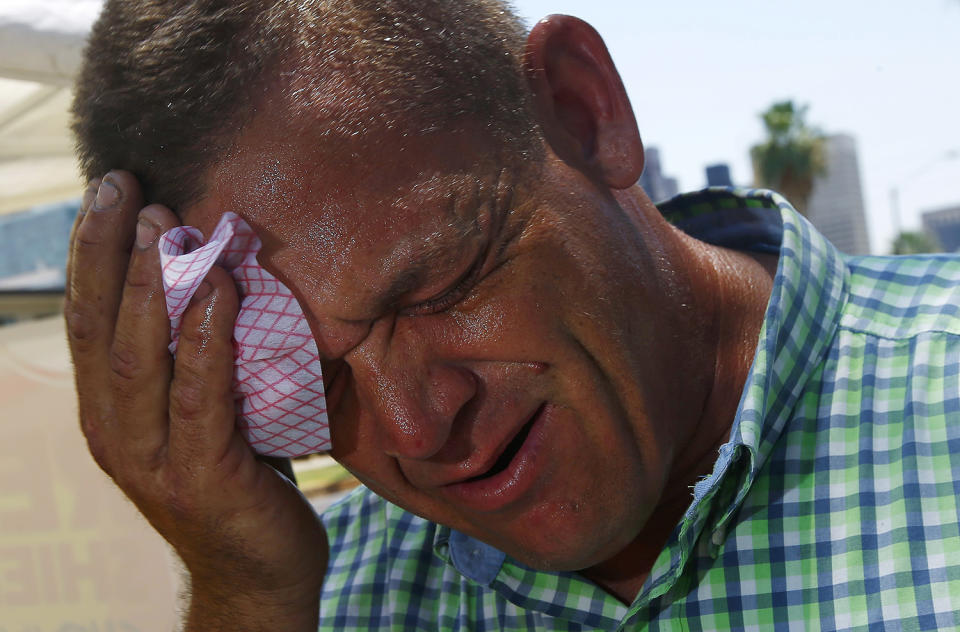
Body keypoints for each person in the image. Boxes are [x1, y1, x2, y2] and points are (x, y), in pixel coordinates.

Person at [66, 1, 960, 630]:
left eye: (439, 286)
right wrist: (247, 600)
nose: (414, 428)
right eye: (313, 380)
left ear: (582, 110)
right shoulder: (317, 600)